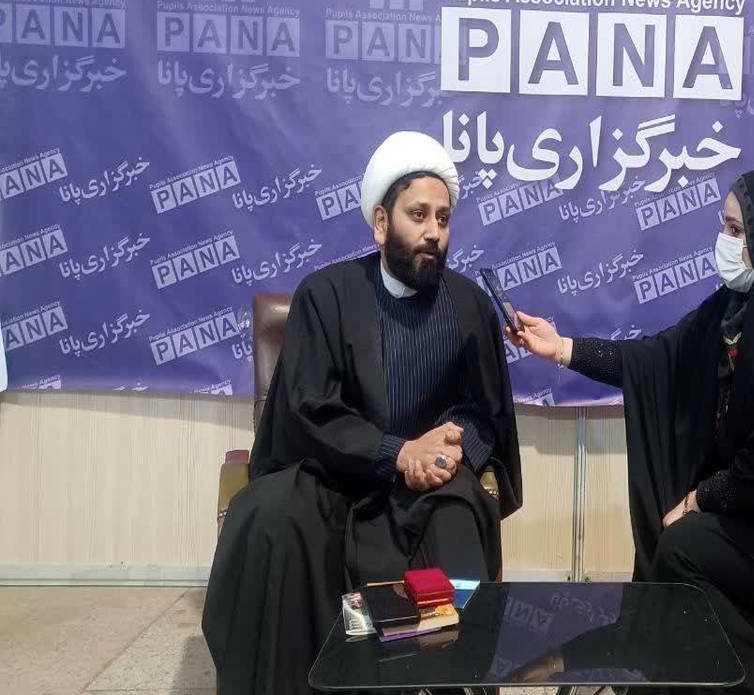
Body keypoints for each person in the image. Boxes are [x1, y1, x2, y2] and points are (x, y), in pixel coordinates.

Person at [508, 169, 754, 695]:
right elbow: (656, 360)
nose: (723, 241)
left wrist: (698, 499)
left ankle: (728, 678)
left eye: (737, 231)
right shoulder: (736, 312)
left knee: (684, 546)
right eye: (724, 226)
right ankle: (674, 671)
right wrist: (562, 348)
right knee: (682, 545)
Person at [202, 131, 522, 695]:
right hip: (334, 476)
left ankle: (451, 681)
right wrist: (396, 452)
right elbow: (309, 409)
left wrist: (447, 451)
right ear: (380, 222)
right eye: (417, 215)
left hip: (426, 487)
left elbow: (484, 413)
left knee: (457, 515)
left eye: (443, 218)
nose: (433, 232)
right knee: (272, 518)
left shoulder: (470, 305)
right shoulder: (326, 295)